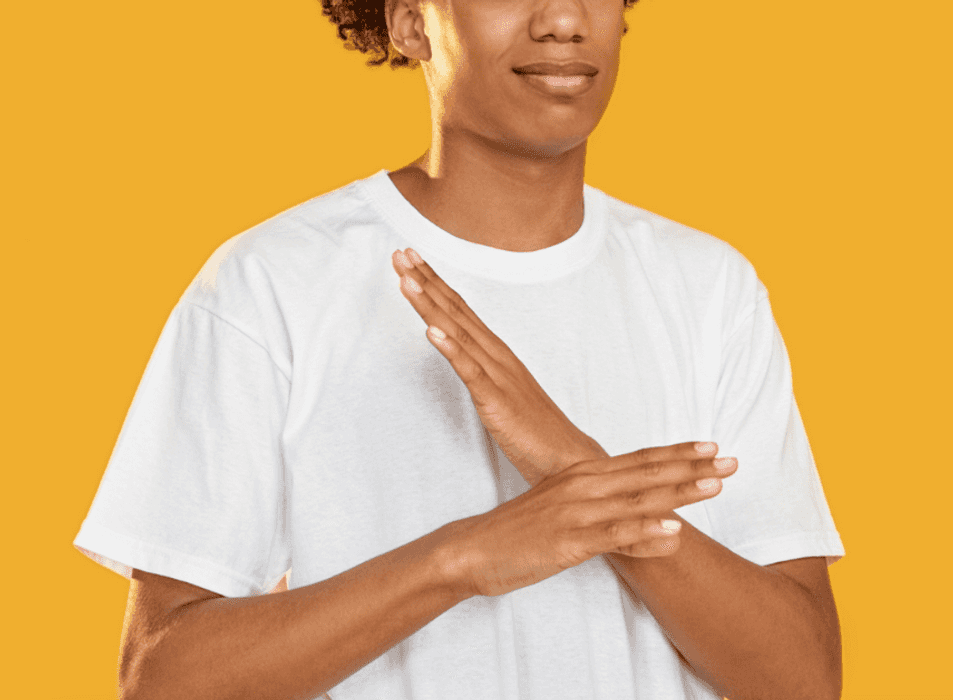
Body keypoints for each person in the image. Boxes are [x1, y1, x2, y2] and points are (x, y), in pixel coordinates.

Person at [72, 0, 847, 697]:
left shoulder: (709, 287)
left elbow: (802, 679)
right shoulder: (272, 281)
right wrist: (464, 557)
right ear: (412, 24)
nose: (563, 20)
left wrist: (575, 469)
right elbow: (164, 678)